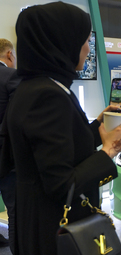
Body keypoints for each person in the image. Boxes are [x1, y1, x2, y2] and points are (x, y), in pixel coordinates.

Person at [0, 2, 121, 254]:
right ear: (61, 42)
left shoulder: (37, 88)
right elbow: (60, 184)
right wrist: (107, 152)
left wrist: (97, 124)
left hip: (40, 220)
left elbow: (58, 148)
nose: (88, 48)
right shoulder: (47, 95)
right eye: (84, 40)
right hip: (53, 230)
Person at [0, 38, 20, 252]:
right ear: (9, 55)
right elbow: (17, 118)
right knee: (15, 213)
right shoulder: (10, 76)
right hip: (6, 158)